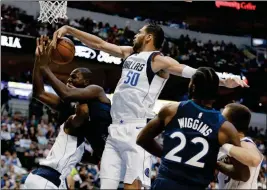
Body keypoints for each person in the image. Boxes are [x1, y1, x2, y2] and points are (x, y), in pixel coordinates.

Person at [52, 23, 248, 189]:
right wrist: (70, 30)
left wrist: (223, 80)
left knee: (133, 185)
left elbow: (191, 72)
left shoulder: (158, 60)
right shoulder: (129, 53)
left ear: (149, 37)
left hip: (136, 128)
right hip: (114, 129)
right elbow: (100, 44)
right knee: (107, 185)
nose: (135, 35)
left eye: (139, 33)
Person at [136, 67, 250, 190]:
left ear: (193, 86)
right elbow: (243, 174)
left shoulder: (171, 110)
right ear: (216, 91)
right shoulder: (225, 128)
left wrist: (166, 154)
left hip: (165, 183)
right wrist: (215, 164)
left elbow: (142, 139)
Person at [24, 36, 112, 189]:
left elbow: (67, 94)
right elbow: (39, 93)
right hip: (49, 179)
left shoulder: (96, 91)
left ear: (85, 82)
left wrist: (96, 157)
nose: (68, 81)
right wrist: (39, 62)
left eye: (74, 78)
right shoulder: (74, 114)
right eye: (68, 79)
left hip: (116, 142)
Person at [217, 103, 263, 189]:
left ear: (230, 124)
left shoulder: (245, 143)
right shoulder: (230, 145)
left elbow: (255, 159)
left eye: (223, 119)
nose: (220, 122)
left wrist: (223, 146)